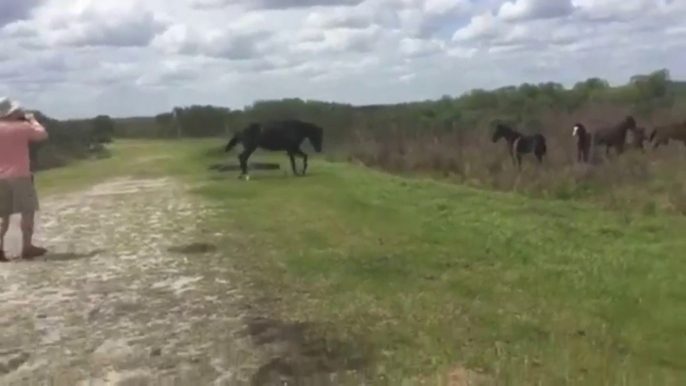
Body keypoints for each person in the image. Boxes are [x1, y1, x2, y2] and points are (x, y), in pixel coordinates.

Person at [0, 96, 49, 262]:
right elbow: (42, 135)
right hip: (20, 174)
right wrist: (32, 120)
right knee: (27, 211)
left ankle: (0, 249)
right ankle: (26, 246)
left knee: (2, 215)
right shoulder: (22, 127)